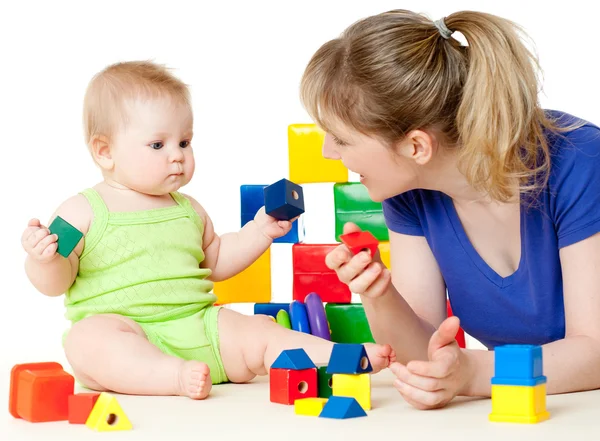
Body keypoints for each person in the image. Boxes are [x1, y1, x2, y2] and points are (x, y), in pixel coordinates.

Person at [20, 61, 394, 400]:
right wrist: (45, 258)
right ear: (105, 151)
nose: (178, 155)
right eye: (158, 144)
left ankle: (341, 357)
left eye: (185, 142)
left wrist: (260, 231)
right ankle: (171, 376)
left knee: (261, 332)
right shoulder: (79, 211)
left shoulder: (189, 210)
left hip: (199, 329)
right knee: (88, 341)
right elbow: (55, 283)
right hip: (126, 335)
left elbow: (215, 260)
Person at [299, 9, 600, 410]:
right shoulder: (408, 190)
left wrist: (473, 373)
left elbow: (594, 351)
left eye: (341, 138)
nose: (327, 152)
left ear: (416, 146)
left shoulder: (580, 161)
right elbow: (425, 355)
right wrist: (377, 293)